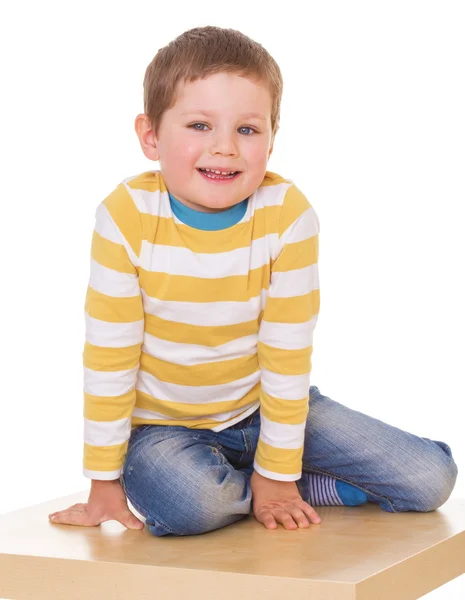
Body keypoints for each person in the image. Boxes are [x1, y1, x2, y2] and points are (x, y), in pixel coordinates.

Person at [48, 26, 458, 536]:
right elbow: (109, 355)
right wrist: (103, 480)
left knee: (429, 478)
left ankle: (274, 482)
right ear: (151, 136)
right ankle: (274, 486)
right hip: (164, 430)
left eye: (247, 130)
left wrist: (278, 469)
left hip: (262, 407)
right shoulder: (125, 216)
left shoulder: (287, 215)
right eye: (199, 125)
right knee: (194, 504)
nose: (225, 148)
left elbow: (286, 352)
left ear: (271, 136)